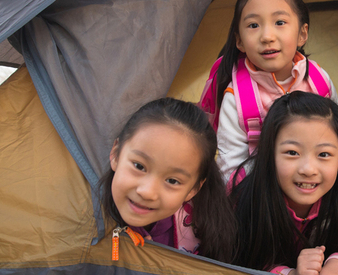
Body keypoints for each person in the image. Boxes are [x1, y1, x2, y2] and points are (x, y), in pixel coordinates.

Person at [231, 92, 338, 275]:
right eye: (292, 153)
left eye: (324, 155)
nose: (308, 169)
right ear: (270, 154)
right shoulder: (248, 199)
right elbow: (244, 259)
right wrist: (291, 274)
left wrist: (337, 263)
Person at [199, 0, 338, 180]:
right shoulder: (237, 99)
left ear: (302, 34)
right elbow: (230, 171)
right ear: (239, 40)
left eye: (280, 22)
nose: (267, 36)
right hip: (260, 197)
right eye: (253, 25)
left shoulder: (318, 81)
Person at [99, 97, 237, 263]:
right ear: (115, 154)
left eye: (172, 181)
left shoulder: (205, 231)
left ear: (194, 188)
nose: (147, 192)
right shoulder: (80, 220)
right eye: (139, 166)